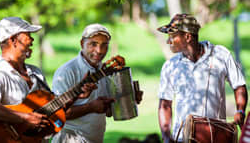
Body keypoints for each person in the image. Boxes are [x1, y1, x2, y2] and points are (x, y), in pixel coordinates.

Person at [0, 17, 96, 142]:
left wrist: (77, 94)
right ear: (13, 40)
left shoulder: (35, 73)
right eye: (28, 35)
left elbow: (54, 107)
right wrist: (24, 118)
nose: (32, 40)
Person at [157, 14, 248, 143]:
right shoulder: (170, 66)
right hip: (182, 139)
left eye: (172, 36)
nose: (168, 41)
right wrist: (166, 137)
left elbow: (239, 85)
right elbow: (165, 104)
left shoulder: (221, 55)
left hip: (215, 136)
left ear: (187, 37)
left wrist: (240, 110)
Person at [52, 23, 143, 143]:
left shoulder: (103, 71)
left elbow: (107, 112)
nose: (99, 51)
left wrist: (129, 99)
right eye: (93, 44)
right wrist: (91, 107)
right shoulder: (67, 71)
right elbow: (56, 114)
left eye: (104, 45)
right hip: (69, 138)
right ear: (82, 44)